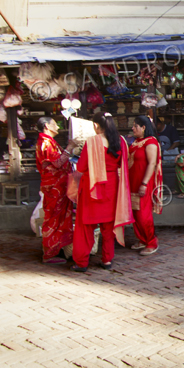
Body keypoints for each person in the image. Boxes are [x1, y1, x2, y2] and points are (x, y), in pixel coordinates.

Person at [71, 112, 133, 272]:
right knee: (108, 227)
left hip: (92, 187)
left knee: (86, 226)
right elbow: (123, 164)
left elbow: (81, 167)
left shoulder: (91, 142)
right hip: (112, 187)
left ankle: (81, 262)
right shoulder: (120, 141)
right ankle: (107, 260)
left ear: (96, 125)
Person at [35, 117, 76, 264]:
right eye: (54, 123)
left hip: (58, 186)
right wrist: (70, 147)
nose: (57, 126)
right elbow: (58, 163)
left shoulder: (48, 141)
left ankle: (57, 248)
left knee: (59, 217)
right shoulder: (46, 142)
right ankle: (49, 253)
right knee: (52, 219)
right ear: (47, 126)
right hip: (54, 187)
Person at [129, 116, 163, 256]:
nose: (133, 128)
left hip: (143, 182)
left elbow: (152, 163)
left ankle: (151, 242)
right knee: (135, 213)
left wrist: (144, 183)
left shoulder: (150, 142)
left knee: (143, 214)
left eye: (135, 126)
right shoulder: (136, 142)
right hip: (133, 182)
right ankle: (142, 239)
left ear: (143, 128)